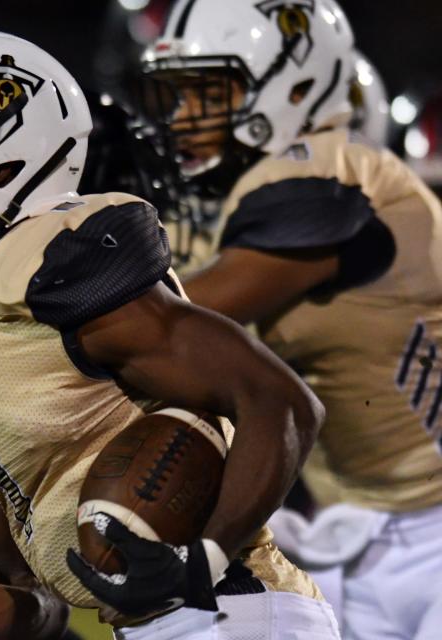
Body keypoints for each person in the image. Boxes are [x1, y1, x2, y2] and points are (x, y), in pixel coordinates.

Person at [0, 29, 333, 640]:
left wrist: (202, 561)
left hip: (235, 612)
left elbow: (281, 401)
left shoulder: (49, 263)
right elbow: (31, 596)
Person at [139, 0, 442, 638]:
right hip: (358, 529)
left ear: (294, 82)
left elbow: (176, 323)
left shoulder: (335, 167)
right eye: (179, 96)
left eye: (209, 93)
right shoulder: (250, 192)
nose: (183, 119)